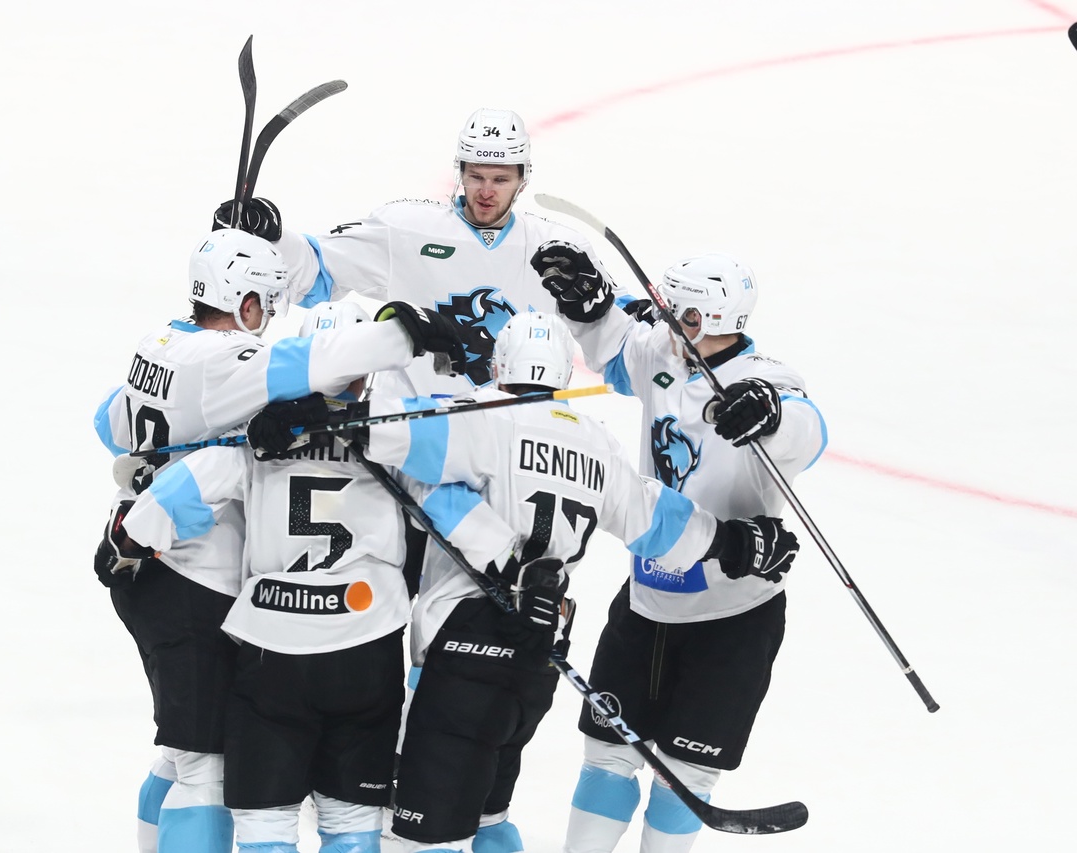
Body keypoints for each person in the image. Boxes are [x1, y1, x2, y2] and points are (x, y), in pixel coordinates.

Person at [246, 312, 801, 853]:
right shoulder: (597, 445)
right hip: (539, 653)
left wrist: (313, 417)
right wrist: (736, 544)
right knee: (490, 816)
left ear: (499, 365)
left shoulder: (482, 419)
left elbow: (392, 436)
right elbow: (660, 522)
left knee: (426, 835)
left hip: (467, 647)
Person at [92, 229, 474, 853]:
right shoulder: (234, 367)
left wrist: (131, 534)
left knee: (181, 755)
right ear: (244, 302)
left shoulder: (159, 347)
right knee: (205, 770)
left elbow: (109, 428)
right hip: (201, 582)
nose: (268, 319)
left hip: (162, 565)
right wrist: (403, 332)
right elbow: (311, 366)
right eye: (265, 305)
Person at [532, 247, 828, 853]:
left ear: (708, 318)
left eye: (679, 311)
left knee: (686, 775)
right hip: (646, 601)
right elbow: (615, 346)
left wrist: (771, 415)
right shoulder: (662, 353)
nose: (666, 319)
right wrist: (587, 307)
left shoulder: (767, 380)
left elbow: (807, 427)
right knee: (607, 755)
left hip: (732, 614)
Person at [212, 107, 626, 395]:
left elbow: (619, 337)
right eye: (476, 176)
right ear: (459, 171)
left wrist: (614, 307)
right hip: (411, 434)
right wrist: (271, 237)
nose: (485, 191)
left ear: (523, 179)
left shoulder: (557, 250)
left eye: (500, 180)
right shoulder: (407, 229)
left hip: (511, 442)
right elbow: (317, 272)